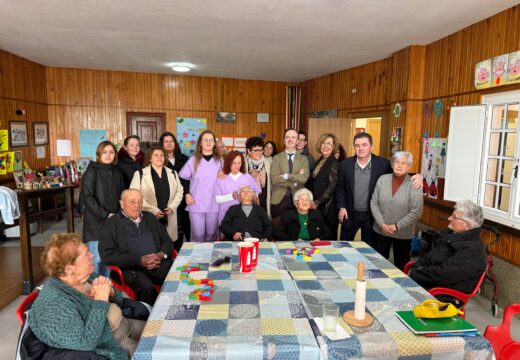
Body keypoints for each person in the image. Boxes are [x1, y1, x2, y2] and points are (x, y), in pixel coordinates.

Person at [30, 233, 145, 359]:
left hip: (125, 323)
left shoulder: (86, 276)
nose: (92, 255)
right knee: (153, 353)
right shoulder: (53, 303)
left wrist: (111, 292)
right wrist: (101, 300)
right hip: (113, 342)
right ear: (69, 268)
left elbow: (119, 300)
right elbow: (85, 342)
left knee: (162, 333)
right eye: (86, 254)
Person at [336, 132, 421, 245]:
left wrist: (419, 176)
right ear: (354, 147)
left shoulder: (383, 164)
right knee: (344, 246)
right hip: (350, 213)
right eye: (357, 145)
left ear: (371, 146)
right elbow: (340, 187)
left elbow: (399, 171)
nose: (361, 148)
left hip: (372, 216)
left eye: (364, 145)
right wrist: (342, 207)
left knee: (369, 249)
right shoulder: (345, 164)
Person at [100, 189, 174, 305]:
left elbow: (167, 242)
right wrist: (139, 260)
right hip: (132, 268)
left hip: (157, 262)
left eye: (140, 202)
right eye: (132, 202)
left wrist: (160, 255)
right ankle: (149, 318)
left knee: (177, 278)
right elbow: (107, 257)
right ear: (122, 204)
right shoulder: (111, 224)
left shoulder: (150, 218)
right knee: (147, 288)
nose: (137, 206)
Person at [409, 200, 487, 296]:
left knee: (398, 296)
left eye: (454, 217)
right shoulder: (450, 235)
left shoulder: (472, 250)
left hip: (445, 293)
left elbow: (443, 275)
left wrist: (419, 271)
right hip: (431, 281)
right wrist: (417, 267)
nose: (449, 218)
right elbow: (430, 256)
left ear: (467, 225)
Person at [370, 151, 423, 270]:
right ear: (392, 164)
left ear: (408, 166)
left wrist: (396, 226)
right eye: (397, 162)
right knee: (378, 264)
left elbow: (416, 212)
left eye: (404, 163)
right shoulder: (382, 179)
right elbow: (374, 203)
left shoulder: (414, 184)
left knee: (401, 265)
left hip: (403, 234)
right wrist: (382, 224)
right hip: (380, 230)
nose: (399, 166)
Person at [81, 141, 125, 276]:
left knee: (109, 259)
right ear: (99, 154)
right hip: (96, 222)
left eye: (111, 152)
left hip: (114, 221)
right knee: (95, 260)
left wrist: (118, 214)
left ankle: (105, 290)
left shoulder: (116, 172)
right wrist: (105, 214)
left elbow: (122, 195)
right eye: (105, 152)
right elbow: (87, 197)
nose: (108, 155)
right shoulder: (91, 171)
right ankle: (94, 293)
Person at [130, 145, 184, 246]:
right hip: (149, 216)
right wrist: (153, 210)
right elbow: (135, 196)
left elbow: (180, 191)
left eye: (162, 155)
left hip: (169, 216)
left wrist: (173, 207)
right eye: (156, 155)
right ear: (150, 158)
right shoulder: (140, 174)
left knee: (169, 245)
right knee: (152, 246)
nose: (159, 157)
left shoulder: (172, 173)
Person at [179, 130, 223, 242]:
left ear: (214, 143)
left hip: (214, 203)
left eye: (211, 140)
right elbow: (184, 178)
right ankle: (197, 259)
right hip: (196, 203)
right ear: (201, 143)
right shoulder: (193, 160)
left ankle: (211, 259)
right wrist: (187, 194)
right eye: (205, 140)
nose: (208, 142)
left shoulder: (220, 161)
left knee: (212, 235)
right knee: (197, 236)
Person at [270, 129, 310, 219]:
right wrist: (294, 182)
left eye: (293, 137)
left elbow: (304, 179)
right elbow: (275, 179)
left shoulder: (303, 159)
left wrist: (286, 176)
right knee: (277, 228)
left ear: (297, 141)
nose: (290, 139)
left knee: (295, 229)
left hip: (297, 200)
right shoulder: (276, 158)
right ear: (284, 140)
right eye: (287, 137)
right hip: (279, 200)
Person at [159, 131, 191, 244]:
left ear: (175, 143)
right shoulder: (159, 159)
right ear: (161, 144)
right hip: (168, 198)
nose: (169, 143)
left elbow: (189, 178)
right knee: (171, 228)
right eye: (166, 141)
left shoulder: (184, 158)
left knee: (185, 224)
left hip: (183, 196)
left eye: (171, 141)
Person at [215, 151, 261, 225]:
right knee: (226, 234)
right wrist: (231, 196)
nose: (237, 166)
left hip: (244, 216)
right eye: (234, 163)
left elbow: (257, 191)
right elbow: (217, 199)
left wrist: (253, 194)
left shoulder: (247, 177)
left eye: (239, 163)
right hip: (225, 215)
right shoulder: (221, 178)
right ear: (228, 163)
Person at [308, 133, 340, 238]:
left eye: (329, 143)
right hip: (317, 204)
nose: (325, 146)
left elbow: (332, 187)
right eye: (323, 143)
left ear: (333, 147)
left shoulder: (334, 163)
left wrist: (317, 202)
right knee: (317, 234)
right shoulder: (320, 160)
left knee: (327, 235)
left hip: (327, 206)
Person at [245, 136, 272, 218]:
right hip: (248, 201)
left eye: (260, 150)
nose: (259, 153)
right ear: (249, 151)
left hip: (264, 201)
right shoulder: (243, 163)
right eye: (255, 150)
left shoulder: (269, 163)